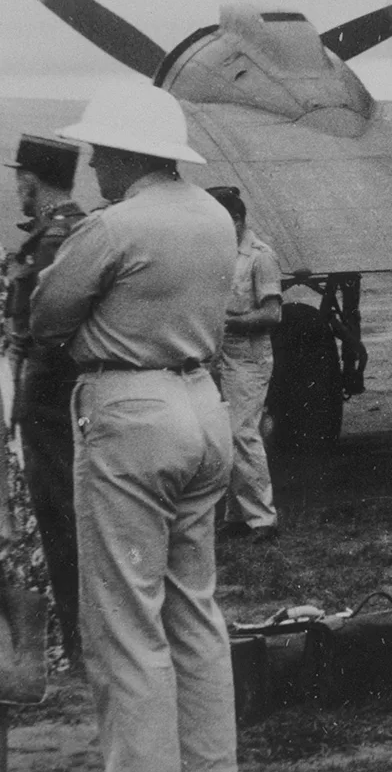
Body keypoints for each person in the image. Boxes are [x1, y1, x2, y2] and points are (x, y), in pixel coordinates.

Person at [30, 83, 238, 772]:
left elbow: (47, 318)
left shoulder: (114, 226)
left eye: (98, 152)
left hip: (130, 411)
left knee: (124, 623)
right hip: (203, 403)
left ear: (124, 154)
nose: (91, 166)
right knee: (194, 612)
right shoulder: (213, 216)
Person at [3, 134, 86, 666]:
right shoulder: (60, 234)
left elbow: (47, 332)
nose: (17, 189)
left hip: (49, 404)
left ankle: (76, 640)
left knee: (59, 520)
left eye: (19, 179)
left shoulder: (56, 240)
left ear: (31, 179)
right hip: (55, 404)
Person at [208, 185, 283, 544]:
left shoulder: (260, 257)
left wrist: (231, 323)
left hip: (248, 356)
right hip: (220, 355)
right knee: (224, 437)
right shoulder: (217, 253)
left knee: (243, 433)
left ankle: (263, 519)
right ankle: (235, 515)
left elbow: (272, 313)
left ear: (236, 220)